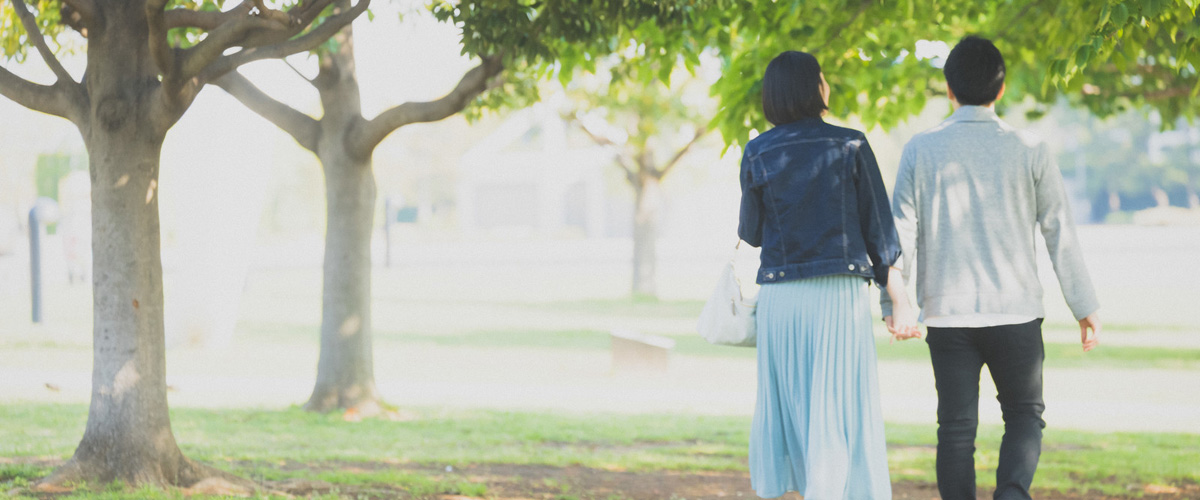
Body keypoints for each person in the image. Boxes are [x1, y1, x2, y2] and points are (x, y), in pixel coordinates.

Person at [880, 36, 1102, 500]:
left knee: (956, 429)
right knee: (1024, 415)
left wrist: (894, 302)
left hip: (946, 315)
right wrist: (1083, 305)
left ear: (949, 89)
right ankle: (1012, 494)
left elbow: (901, 233)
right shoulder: (1030, 147)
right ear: (1001, 90)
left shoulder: (921, 149)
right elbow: (1059, 229)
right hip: (1016, 312)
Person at [739, 50, 920, 500]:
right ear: (814, 87)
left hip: (780, 299)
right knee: (838, 411)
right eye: (823, 77)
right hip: (837, 296)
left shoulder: (757, 151)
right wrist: (899, 299)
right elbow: (880, 231)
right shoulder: (851, 144)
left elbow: (752, 234)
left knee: (794, 409)